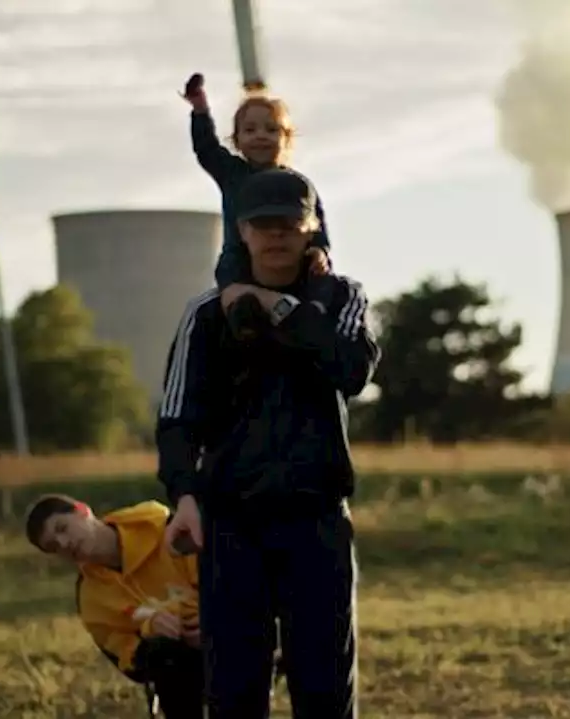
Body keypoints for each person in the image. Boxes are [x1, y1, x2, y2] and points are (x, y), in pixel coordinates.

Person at [155, 167, 379, 719]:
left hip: (316, 518)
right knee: (234, 690)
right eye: (263, 225)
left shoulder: (344, 297)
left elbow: (352, 370)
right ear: (243, 232)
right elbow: (177, 418)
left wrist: (281, 310)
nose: (276, 235)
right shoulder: (205, 315)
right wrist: (183, 494)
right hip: (231, 523)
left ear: (311, 229)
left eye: (289, 223)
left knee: (324, 688)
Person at [24, 494, 203, 719]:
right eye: (53, 546)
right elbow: (129, 660)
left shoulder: (166, 531)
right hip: (180, 666)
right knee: (164, 654)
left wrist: (210, 620)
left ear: (82, 510)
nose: (64, 543)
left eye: (62, 528)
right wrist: (151, 629)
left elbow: (228, 582)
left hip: (231, 633)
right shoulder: (91, 597)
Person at [181, 72, 332, 292]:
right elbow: (206, 148)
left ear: (286, 139)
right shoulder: (232, 173)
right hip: (240, 264)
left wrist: (320, 250)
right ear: (236, 140)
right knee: (233, 290)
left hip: (288, 267)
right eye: (250, 130)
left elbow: (314, 220)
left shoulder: (297, 185)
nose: (260, 136)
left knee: (318, 285)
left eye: (271, 130)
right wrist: (200, 111)